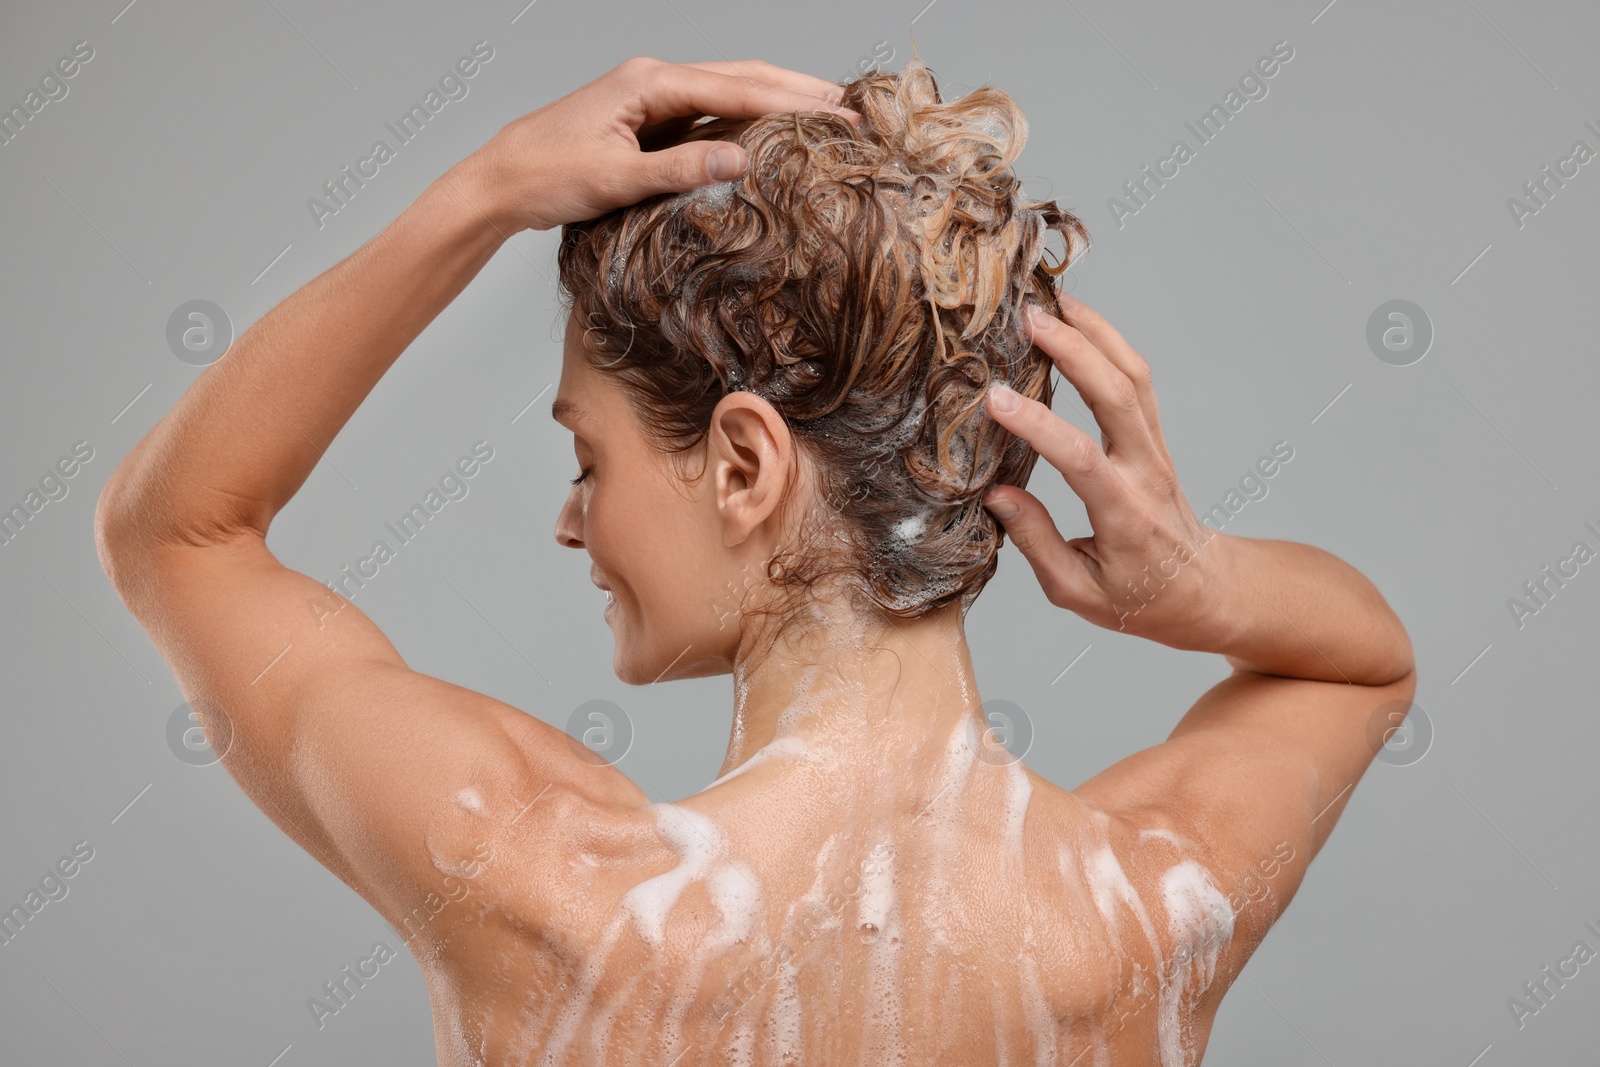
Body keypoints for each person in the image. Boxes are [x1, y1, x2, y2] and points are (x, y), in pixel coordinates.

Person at [95, 54, 1416, 1067]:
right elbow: (1362, 671)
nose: (571, 522)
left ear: (743, 464)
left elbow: (178, 531)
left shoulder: (548, 891)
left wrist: (483, 191)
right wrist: (1198, 579)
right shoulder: (1144, 914)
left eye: (587, 458)